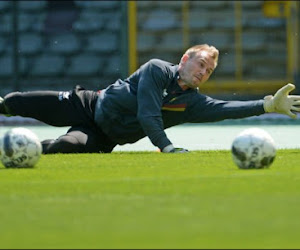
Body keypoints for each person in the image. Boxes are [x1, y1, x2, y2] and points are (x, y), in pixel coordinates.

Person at [0, 44, 300, 154]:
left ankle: (16, 154)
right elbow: (148, 114)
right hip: (87, 102)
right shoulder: (157, 69)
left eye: (208, 71)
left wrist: (267, 105)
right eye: (200, 64)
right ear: (184, 59)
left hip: (102, 136)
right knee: (17, 101)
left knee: (65, 147)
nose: (203, 73)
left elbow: (224, 109)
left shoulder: (190, 103)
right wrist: (166, 147)